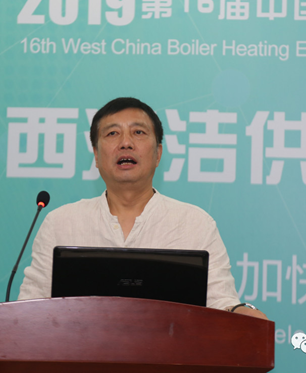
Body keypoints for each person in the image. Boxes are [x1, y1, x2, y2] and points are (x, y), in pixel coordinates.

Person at [18, 97, 268, 320]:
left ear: (158, 154)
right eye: (112, 133)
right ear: (96, 155)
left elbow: (220, 302)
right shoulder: (61, 223)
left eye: (138, 132)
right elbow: (30, 307)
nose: (126, 143)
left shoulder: (195, 224)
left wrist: (240, 311)